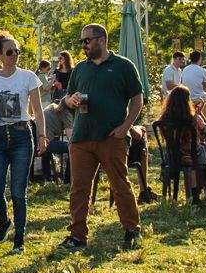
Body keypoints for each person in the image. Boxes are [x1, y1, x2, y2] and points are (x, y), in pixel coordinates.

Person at [58, 23, 143, 253]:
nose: (83, 45)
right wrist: (71, 100)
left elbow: (137, 99)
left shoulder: (123, 66)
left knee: (119, 184)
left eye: (86, 40)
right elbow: (66, 99)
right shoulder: (80, 69)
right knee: (79, 188)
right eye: (81, 42)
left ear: (102, 40)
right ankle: (77, 236)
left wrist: (126, 126)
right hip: (81, 137)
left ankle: (132, 230)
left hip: (111, 137)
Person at [0, 33, 44, 249]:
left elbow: (38, 110)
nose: (15, 56)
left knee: (18, 192)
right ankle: (4, 221)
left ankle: (19, 240)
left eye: (17, 51)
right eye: (10, 52)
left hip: (22, 135)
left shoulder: (28, 76)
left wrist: (42, 136)